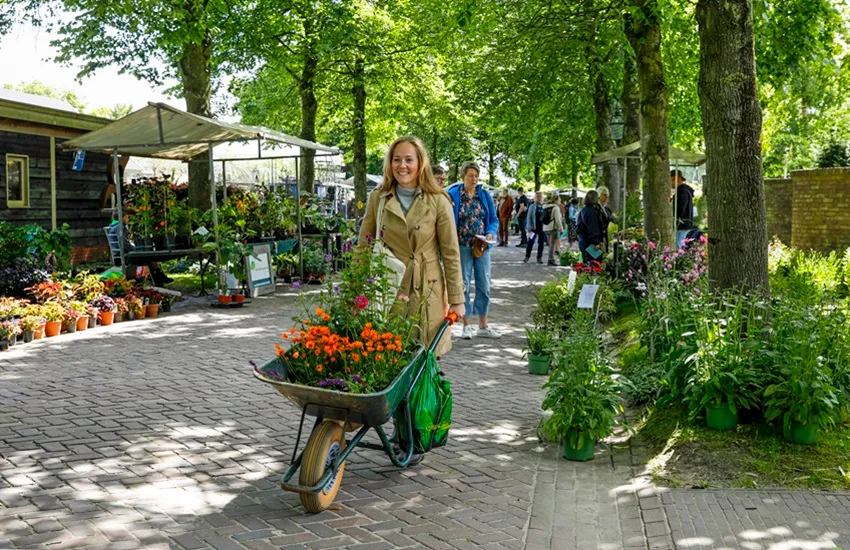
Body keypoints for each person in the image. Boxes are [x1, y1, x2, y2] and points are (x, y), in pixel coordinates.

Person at [359, 137, 465, 357]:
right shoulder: (378, 198)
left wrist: (457, 300)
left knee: (425, 361)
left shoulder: (438, 200)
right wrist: (356, 290)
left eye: (409, 159)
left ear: (420, 163)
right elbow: (363, 245)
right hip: (389, 287)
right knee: (387, 358)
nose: (402, 166)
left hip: (427, 289)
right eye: (396, 160)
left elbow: (451, 253)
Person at [446, 162, 501, 340]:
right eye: (470, 176)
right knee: (463, 284)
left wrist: (490, 233)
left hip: (482, 246)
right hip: (462, 246)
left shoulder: (484, 195)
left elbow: (493, 219)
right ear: (463, 177)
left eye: (476, 176)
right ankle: (466, 325)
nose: (474, 179)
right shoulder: (454, 194)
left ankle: (483, 325)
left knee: (484, 284)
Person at [109, 211, 173, 285]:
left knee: (148, 256)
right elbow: (123, 243)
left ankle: (158, 278)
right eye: (126, 217)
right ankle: (159, 277)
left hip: (118, 254)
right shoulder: (120, 227)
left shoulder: (113, 226)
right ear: (121, 218)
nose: (128, 219)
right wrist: (134, 250)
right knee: (150, 256)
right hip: (124, 255)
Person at [576, 190, 606, 264]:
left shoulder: (583, 210)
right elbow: (593, 229)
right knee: (593, 266)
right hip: (591, 244)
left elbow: (579, 228)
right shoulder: (592, 212)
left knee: (586, 264)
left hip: (583, 242)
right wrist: (596, 243)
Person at [671, 170, 696, 248]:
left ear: (676, 179)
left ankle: (680, 259)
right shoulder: (684, 190)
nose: (670, 182)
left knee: (679, 246)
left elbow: (681, 208)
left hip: (682, 223)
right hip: (684, 223)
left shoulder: (682, 191)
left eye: (671, 179)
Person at [524, 191, 546, 264]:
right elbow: (529, 217)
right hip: (533, 227)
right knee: (530, 242)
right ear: (535, 198)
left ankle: (539, 258)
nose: (539, 198)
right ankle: (527, 256)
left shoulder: (545, 206)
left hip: (542, 227)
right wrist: (529, 227)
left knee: (541, 243)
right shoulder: (532, 206)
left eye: (540, 196)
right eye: (538, 197)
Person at [543, 193, 564, 266]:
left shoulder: (545, 207)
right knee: (552, 244)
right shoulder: (556, 208)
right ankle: (550, 259)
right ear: (555, 200)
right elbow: (558, 220)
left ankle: (550, 259)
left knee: (550, 244)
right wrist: (561, 229)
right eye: (559, 200)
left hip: (546, 227)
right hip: (553, 228)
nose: (559, 201)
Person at [596, 186, 618, 253]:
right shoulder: (595, 208)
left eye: (607, 196)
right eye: (604, 195)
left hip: (604, 236)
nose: (606, 198)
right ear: (599, 195)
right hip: (596, 238)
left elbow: (615, 220)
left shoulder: (607, 209)